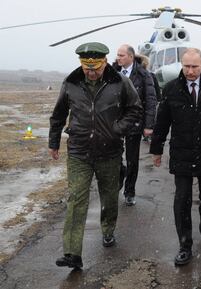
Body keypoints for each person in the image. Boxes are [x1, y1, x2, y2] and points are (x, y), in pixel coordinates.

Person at [49, 42, 142, 270]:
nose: (91, 72)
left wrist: (118, 129)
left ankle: (108, 229)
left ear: (104, 62)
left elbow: (135, 109)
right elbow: (59, 114)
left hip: (109, 152)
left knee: (109, 197)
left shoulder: (120, 82)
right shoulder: (71, 83)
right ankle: (72, 253)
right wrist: (53, 143)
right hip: (79, 151)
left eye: (96, 68)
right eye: (87, 68)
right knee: (76, 199)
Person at [150, 48, 201, 266]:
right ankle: (185, 245)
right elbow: (162, 122)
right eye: (186, 66)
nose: (189, 71)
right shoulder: (172, 89)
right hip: (182, 153)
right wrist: (157, 149)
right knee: (182, 199)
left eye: (194, 66)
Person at [113, 44, 157, 206]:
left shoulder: (144, 75)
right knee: (115, 156)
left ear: (131, 57)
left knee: (132, 159)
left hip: (134, 122)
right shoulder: (112, 73)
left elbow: (151, 100)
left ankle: (129, 191)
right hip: (115, 123)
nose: (118, 58)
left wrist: (149, 124)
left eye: (122, 55)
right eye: (117, 55)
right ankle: (120, 174)